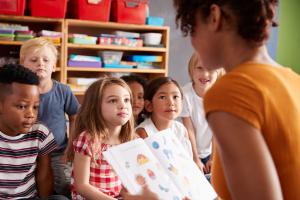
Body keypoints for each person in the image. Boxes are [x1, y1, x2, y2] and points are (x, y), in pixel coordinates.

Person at [173, 0, 300, 199]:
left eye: (193, 29)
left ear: (214, 17)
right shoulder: (293, 80)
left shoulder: (231, 91)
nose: (193, 42)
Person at [19, 37, 80, 197]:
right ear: (22, 64)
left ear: (54, 66)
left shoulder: (63, 90)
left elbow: (75, 117)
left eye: (46, 60)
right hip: (26, 152)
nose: (40, 63)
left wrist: (70, 147)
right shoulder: (18, 92)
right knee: (29, 187)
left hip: (58, 152)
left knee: (64, 186)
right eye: (34, 60)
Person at [0, 64, 67, 200]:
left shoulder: (40, 132)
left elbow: (44, 175)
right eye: (22, 106)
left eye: (35, 107)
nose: (31, 114)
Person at [67, 77, 136, 199]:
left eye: (126, 100)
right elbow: (82, 186)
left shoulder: (131, 140)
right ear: (95, 107)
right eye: (113, 100)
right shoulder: (88, 139)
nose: (122, 105)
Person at [180, 52, 223, 176]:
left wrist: (213, 159)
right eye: (199, 68)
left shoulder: (219, 96)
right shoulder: (184, 94)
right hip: (188, 150)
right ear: (191, 70)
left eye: (211, 69)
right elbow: (189, 129)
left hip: (211, 151)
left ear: (218, 73)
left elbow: (217, 131)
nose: (205, 74)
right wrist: (195, 158)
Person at [136, 76, 192, 157]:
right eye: (162, 97)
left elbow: (188, 161)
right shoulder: (143, 133)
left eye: (175, 97)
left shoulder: (181, 129)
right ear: (149, 106)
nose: (171, 102)